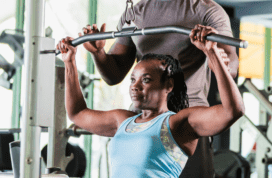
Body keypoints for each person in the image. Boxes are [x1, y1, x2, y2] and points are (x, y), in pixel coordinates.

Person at [79, 0, 239, 177]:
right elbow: (114, 75)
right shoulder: (134, 14)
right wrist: (99, 54)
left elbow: (232, 66)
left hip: (187, 124)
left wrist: (214, 54)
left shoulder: (207, 12)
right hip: (144, 124)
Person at [58, 25, 244, 178]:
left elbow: (232, 111)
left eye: (145, 80)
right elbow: (77, 113)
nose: (134, 86)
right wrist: (69, 62)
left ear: (169, 85)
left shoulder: (177, 124)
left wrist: (212, 54)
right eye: (133, 79)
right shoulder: (122, 121)